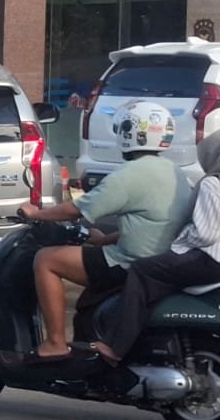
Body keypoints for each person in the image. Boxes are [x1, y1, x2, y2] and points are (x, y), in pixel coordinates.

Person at [19, 100, 193, 361]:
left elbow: (76, 209)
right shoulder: (176, 173)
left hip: (128, 264)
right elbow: (154, 224)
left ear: (127, 132)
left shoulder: (131, 174)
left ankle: (55, 342)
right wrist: (104, 239)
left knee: (45, 260)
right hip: (160, 263)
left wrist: (37, 213)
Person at [93, 132, 220, 372]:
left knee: (142, 271)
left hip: (209, 258)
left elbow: (206, 233)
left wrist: (179, 242)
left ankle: (116, 348)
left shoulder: (213, 183)